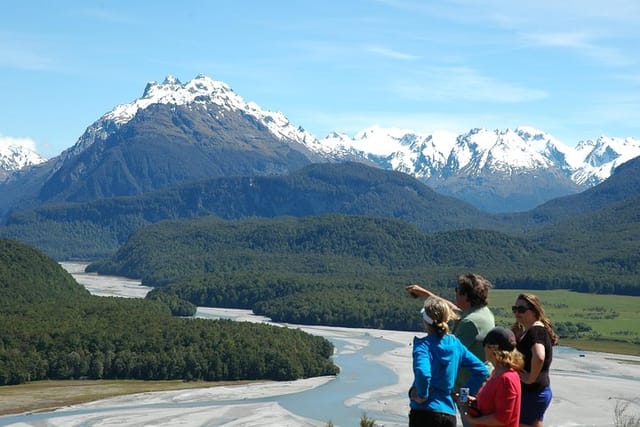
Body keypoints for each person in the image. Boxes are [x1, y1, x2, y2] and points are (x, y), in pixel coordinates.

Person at [406, 273, 495, 426]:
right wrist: (427, 295)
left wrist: (421, 394)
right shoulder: (482, 314)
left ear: (466, 295)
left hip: (438, 404)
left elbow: (426, 371)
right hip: (450, 408)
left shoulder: (468, 323)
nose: (455, 294)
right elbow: (450, 311)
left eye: (457, 290)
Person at [511, 293, 559, 427]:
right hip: (538, 392)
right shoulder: (532, 330)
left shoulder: (535, 331)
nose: (517, 313)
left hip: (533, 393)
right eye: (515, 309)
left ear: (534, 311)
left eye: (521, 310)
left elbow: (539, 356)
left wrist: (531, 378)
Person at [463, 326, 524, 427]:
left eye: (485, 345)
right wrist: (475, 402)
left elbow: (502, 419)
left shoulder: (506, 379)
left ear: (493, 349)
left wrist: (474, 421)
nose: (483, 348)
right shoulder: (496, 373)